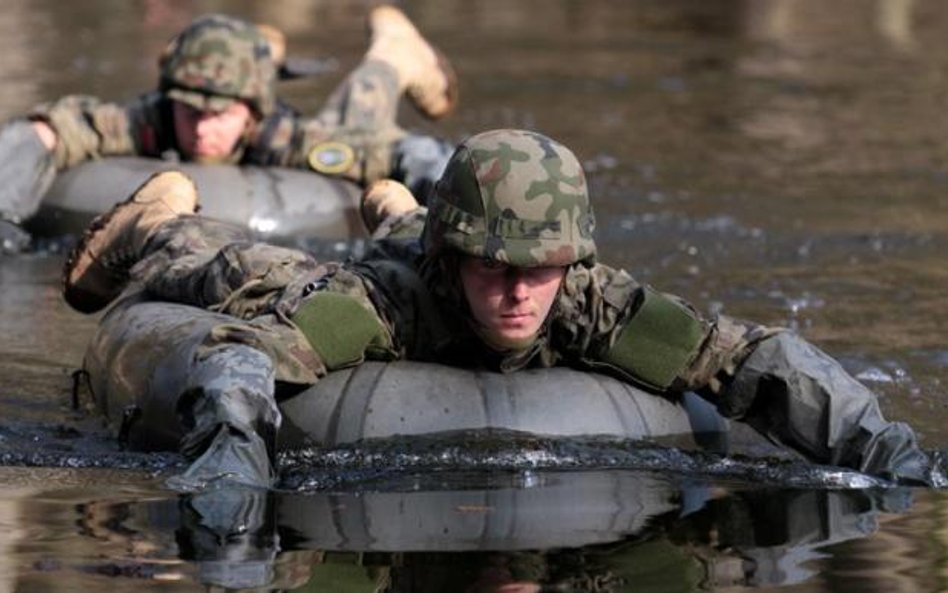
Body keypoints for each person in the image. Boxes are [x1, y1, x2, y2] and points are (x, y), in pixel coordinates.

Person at [60, 128, 945, 490]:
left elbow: (750, 359)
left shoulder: (595, 302)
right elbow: (243, 352)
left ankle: (397, 203)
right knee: (250, 269)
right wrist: (229, 470)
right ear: (459, 260)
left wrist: (893, 458)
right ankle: (162, 223)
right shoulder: (388, 301)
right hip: (398, 261)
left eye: (543, 269)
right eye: (494, 267)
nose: (520, 291)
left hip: (434, 234)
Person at [0, 7, 457, 252]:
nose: (200, 131)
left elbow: (404, 153)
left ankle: (392, 55)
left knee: (355, 121)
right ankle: (259, 45)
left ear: (252, 113)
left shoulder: (280, 135)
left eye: (219, 115)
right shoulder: (154, 117)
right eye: (190, 112)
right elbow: (52, 129)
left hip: (306, 131)